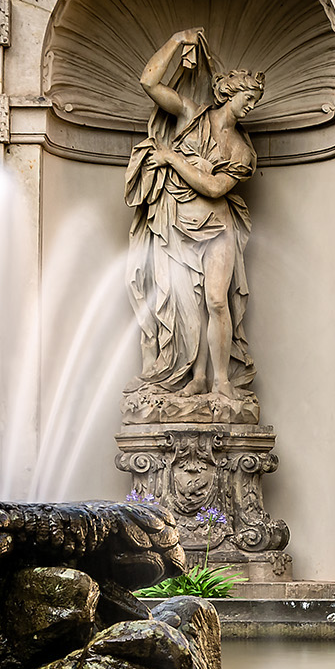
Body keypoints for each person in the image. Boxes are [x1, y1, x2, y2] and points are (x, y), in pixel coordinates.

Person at [123, 28, 264, 420]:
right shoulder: (190, 114)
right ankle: (197, 377)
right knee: (187, 307)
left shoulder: (242, 150)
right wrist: (175, 41)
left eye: (256, 101)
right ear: (229, 93)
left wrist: (172, 158)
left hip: (219, 227)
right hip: (177, 225)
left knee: (216, 300)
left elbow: (216, 188)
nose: (251, 106)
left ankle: (223, 380)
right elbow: (149, 83)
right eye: (248, 98)